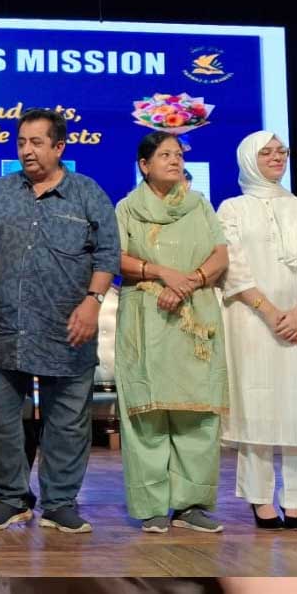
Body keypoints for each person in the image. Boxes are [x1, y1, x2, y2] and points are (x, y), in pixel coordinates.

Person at [0, 108, 120, 534]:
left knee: (66, 421)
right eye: (21, 143)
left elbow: (107, 256)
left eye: (36, 142)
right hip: (6, 328)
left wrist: (93, 303)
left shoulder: (87, 194)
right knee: (3, 421)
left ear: (59, 146)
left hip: (68, 329)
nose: (27, 150)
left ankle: (60, 503)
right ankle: (10, 499)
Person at [114, 131, 229, 533]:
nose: (175, 160)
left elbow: (220, 254)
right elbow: (116, 258)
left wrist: (188, 282)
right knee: (147, 411)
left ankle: (191, 504)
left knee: (197, 412)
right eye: (165, 155)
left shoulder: (200, 206)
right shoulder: (127, 208)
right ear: (144, 165)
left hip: (194, 318)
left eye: (178, 154)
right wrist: (161, 273)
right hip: (145, 316)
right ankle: (152, 506)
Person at [217, 131, 297, 530]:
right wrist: (270, 312)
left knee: (295, 405)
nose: (276, 157)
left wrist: (295, 314)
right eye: (266, 152)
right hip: (251, 320)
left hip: (296, 322)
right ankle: (260, 498)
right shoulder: (232, 208)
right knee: (258, 404)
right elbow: (232, 267)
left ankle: (296, 498)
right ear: (249, 159)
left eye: (281, 151)